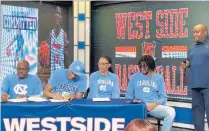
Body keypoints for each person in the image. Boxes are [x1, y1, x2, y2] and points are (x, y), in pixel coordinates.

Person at [126, 55, 175, 131]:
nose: (142, 69)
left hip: (153, 106)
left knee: (171, 112)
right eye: (141, 66)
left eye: (144, 67)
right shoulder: (134, 77)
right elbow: (128, 95)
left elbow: (163, 98)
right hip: (139, 105)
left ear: (150, 66)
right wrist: (132, 103)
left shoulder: (159, 78)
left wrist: (154, 104)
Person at [181, 24, 209, 131]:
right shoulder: (192, 47)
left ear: (205, 32)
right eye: (193, 32)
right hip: (195, 85)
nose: (194, 34)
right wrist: (185, 64)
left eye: (197, 32)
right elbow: (188, 62)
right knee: (197, 115)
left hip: (208, 86)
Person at [50, 6, 69, 75]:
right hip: (51, 71)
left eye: (59, 13)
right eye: (56, 13)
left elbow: (67, 55)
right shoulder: (50, 33)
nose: (57, 15)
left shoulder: (64, 34)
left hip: (61, 70)